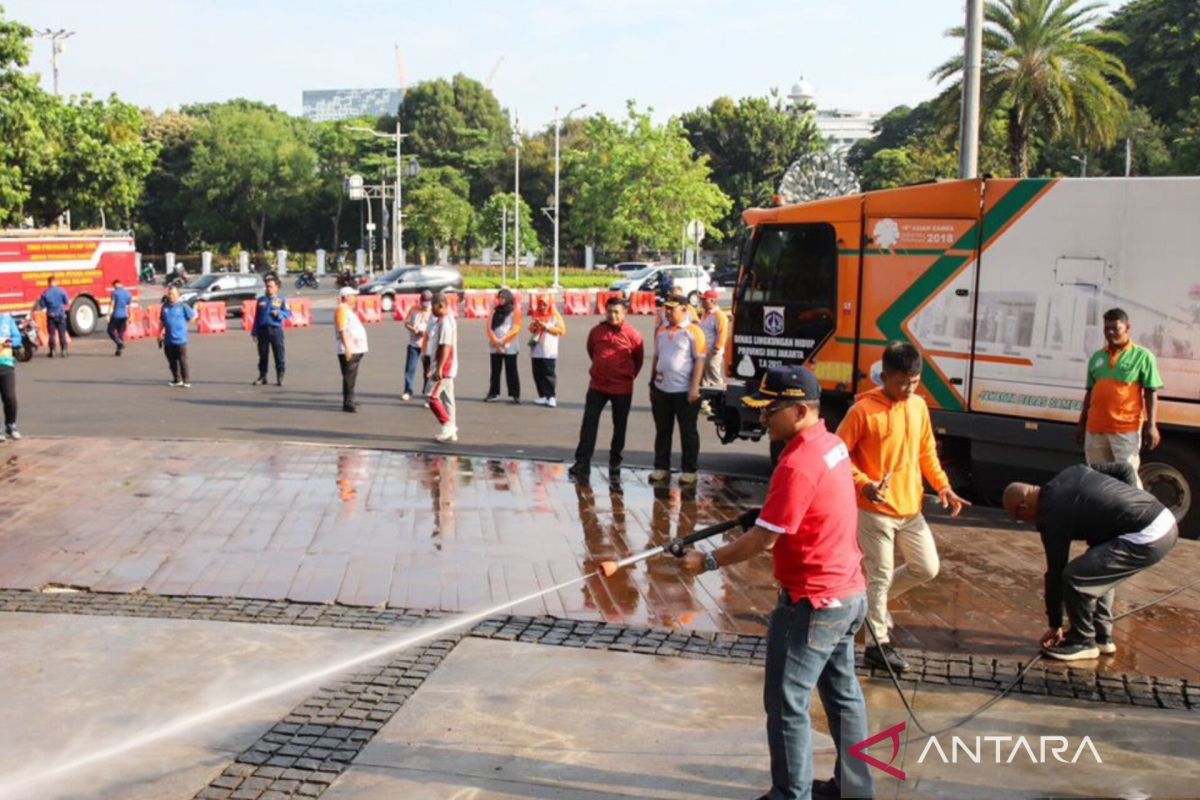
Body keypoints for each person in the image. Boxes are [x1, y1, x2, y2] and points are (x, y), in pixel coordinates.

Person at [680, 366, 873, 800]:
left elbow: (764, 541)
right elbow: (800, 513)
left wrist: (706, 560)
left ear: (801, 410)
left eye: (771, 409)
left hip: (813, 602)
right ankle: (854, 790)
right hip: (847, 594)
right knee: (844, 697)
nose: (763, 417)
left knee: (787, 705)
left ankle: (790, 795)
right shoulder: (831, 445)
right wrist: (767, 513)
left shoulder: (799, 462)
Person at [836, 342, 969, 673]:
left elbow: (927, 452)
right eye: (902, 383)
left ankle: (869, 605)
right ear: (885, 376)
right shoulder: (862, 411)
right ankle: (877, 646)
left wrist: (943, 486)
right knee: (879, 575)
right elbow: (839, 455)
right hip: (873, 510)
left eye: (914, 381)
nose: (909, 389)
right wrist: (864, 483)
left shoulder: (919, 406)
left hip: (911, 509)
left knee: (927, 568)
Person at [1003, 461, 1178, 661]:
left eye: (1018, 517)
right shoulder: (1071, 471)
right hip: (1162, 519)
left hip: (1148, 536)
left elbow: (1056, 573)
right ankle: (1102, 637)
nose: (1024, 522)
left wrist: (1055, 624)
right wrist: (1133, 501)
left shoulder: (1051, 515)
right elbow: (1125, 469)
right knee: (1096, 570)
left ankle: (1083, 641)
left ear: (1023, 507)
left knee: (1076, 576)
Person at [1076, 308, 1163, 489]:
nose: (1110, 332)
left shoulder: (1142, 356)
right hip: (1095, 430)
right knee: (1097, 481)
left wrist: (1151, 424)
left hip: (1125, 430)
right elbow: (1090, 392)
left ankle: (1136, 516)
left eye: (1115, 328)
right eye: (1106, 328)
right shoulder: (1097, 358)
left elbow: (1151, 392)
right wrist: (1081, 423)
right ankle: (1103, 515)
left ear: (1127, 327)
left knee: (1128, 481)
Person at [569, 296, 645, 482]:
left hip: (622, 388)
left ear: (625, 313)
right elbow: (591, 351)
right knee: (589, 424)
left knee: (619, 427)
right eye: (609, 311)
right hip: (598, 386)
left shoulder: (633, 335)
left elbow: (638, 361)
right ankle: (582, 463)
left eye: (616, 312)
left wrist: (625, 376)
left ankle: (615, 462)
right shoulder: (596, 331)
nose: (612, 315)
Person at [649, 293, 707, 485]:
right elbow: (656, 357)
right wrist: (652, 383)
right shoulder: (661, 331)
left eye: (672, 309)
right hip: (662, 389)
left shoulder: (693, 331)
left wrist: (694, 388)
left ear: (684, 309)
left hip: (684, 391)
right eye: (666, 309)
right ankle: (661, 467)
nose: (668, 313)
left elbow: (699, 360)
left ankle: (689, 470)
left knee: (688, 432)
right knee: (662, 430)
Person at [426, 291, 459, 442]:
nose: (431, 310)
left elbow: (446, 346)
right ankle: (451, 431)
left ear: (440, 305)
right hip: (444, 364)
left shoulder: (446, 322)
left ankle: (447, 424)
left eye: (433, 306)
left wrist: (438, 368)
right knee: (448, 399)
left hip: (445, 366)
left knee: (432, 397)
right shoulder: (444, 319)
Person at [251, 276, 293, 386]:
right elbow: (257, 317)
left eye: (271, 286)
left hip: (276, 330)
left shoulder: (281, 300)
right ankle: (262, 376)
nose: (268, 288)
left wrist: (280, 313)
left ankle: (280, 376)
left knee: (279, 354)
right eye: (267, 286)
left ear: (277, 288)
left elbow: (289, 314)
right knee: (263, 355)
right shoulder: (261, 300)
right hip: (263, 331)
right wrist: (254, 332)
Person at [335, 286, 369, 412]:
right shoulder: (341, 310)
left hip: (356, 348)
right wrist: (348, 347)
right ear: (346, 297)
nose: (355, 298)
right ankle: (348, 402)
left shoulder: (347, 310)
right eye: (353, 296)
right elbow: (342, 329)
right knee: (349, 376)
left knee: (351, 375)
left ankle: (350, 399)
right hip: (349, 349)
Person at [529, 295, 566, 407]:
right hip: (536, 347)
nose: (542, 306)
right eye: (540, 304)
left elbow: (562, 330)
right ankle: (543, 396)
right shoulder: (536, 314)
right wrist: (534, 326)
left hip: (549, 349)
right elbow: (531, 329)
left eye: (544, 304)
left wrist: (547, 326)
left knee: (548, 374)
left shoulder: (555, 315)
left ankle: (551, 397)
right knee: (537, 373)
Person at [485, 288, 522, 403]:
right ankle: (494, 393)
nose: (500, 300)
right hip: (495, 345)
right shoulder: (494, 311)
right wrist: (496, 342)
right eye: (499, 297)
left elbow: (516, 328)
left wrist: (504, 341)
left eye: (502, 298)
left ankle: (514, 394)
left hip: (509, 345)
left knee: (511, 370)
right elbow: (489, 327)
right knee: (495, 371)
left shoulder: (515, 311)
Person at [158, 286, 197, 387]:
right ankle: (177, 379)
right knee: (172, 362)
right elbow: (162, 321)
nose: (171, 296)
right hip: (168, 339)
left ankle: (186, 381)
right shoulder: (165, 307)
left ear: (178, 295)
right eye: (170, 294)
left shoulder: (183, 306)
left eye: (174, 294)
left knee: (182, 360)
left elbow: (193, 316)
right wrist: (159, 333)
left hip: (180, 339)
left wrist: (184, 325)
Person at [697, 289, 729, 406]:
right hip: (703, 351)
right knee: (703, 376)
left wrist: (716, 349)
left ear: (712, 300)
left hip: (712, 352)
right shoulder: (705, 313)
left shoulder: (719, 315)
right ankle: (704, 402)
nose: (702, 302)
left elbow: (722, 333)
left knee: (714, 376)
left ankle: (723, 401)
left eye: (704, 300)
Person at [402, 290, 433, 401]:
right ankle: (408, 390)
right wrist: (413, 329)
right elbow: (406, 323)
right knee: (410, 368)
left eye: (428, 301)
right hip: (414, 343)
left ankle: (426, 391)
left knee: (428, 370)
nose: (426, 303)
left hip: (428, 345)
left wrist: (426, 333)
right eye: (424, 301)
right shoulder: (414, 309)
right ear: (421, 300)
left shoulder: (433, 311)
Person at [36, 276, 70, 358]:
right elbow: (66, 302)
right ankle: (64, 351)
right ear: (56, 282)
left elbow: (42, 305)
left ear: (49, 283)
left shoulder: (45, 293)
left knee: (52, 334)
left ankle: (52, 351)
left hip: (51, 315)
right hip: (61, 315)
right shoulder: (62, 291)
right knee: (62, 333)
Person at [0, 312, 22, 441]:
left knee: (10, 397)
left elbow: (17, 337)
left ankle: (11, 425)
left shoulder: (7, 320)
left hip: (6, 364)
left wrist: (11, 342)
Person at [107, 279, 134, 356]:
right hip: (124, 316)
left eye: (114, 286)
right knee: (121, 333)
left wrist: (108, 315)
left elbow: (112, 304)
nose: (114, 288)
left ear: (115, 285)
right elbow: (129, 306)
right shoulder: (128, 294)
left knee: (110, 330)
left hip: (116, 315)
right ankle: (119, 350)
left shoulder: (114, 293)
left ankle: (119, 343)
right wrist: (130, 316)